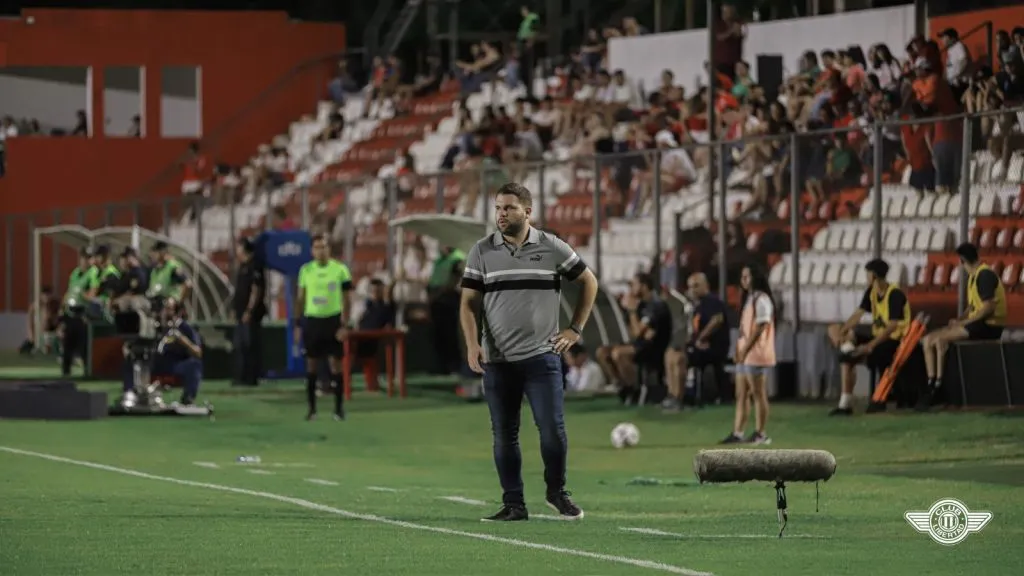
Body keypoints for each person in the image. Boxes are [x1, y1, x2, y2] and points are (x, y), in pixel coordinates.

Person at [459, 182, 598, 522]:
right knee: (504, 435)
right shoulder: (481, 251)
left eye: (508, 207)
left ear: (528, 211)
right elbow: (468, 303)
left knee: (552, 430)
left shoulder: (551, 246)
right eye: (498, 208)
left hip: (542, 357)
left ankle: (557, 492)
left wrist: (574, 328)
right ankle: (514, 504)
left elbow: (588, 281)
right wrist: (473, 343)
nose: (501, 214)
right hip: (499, 361)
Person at [827, 259, 909, 415]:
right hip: (877, 337)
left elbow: (892, 327)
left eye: (868, 274)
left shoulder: (894, 294)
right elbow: (858, 315)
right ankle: (845, 404)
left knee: (851, 357)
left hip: (894, 341)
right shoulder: (871, 292)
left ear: (874, 276)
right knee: (835, 331)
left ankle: (849, 353)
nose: (866, 278)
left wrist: (870, 345)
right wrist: (843, 332)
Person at [921, 243, 1006, 391]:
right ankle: (931, 381)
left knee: (940, 339)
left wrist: (965, 322)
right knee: (928, 339)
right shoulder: (974, 277)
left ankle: (940, 384)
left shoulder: (984, 275)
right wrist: (959, 320)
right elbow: (973, 306)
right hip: (978, 323)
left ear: (961, 260)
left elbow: (988, 307)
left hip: (989, 325)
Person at [294, 233, 354, 421]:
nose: (321, 251)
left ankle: (338, 409)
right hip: (313, 321)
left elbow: (347, 299)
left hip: (333, 321)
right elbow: (301, 298)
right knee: (311, 366)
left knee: (335, 366)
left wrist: (345, 324)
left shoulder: (340, 270)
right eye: (318, 247)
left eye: (324, 247)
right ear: (312, 251)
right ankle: (312, 410)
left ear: (329, 249)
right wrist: (297, 324)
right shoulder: (306, 271)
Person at [722, 265, 776, 444]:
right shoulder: (750, 299)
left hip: (756, 352)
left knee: (757, 393)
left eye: (747, 276)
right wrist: (739, 349)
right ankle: (738, 432)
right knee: (742, 393)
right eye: (742, 276)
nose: (743, 280)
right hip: (746, 352)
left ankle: (761, 432)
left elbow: (761, 326)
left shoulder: (761, 299)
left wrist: (745, 349)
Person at [121, 298, 203, 406]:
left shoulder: (184, 328)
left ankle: (188, 399)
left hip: (175, 363)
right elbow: (135, 343)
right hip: (154, 361)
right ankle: (130, 395)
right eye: (163, 308)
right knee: (133, 360)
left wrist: (183, 341)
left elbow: (198, 353)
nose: (164, 312)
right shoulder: (155, 326)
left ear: (177, 312)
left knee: (195, 365)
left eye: (169, 309)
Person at [618, 273, 673, 405]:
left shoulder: (656, 305)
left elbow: (637, 333)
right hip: (641, 345)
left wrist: (631, 312)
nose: (631, 289)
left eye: (634, 284)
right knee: (603, 353)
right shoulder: (641, 305)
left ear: (644, 286)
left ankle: (634, 390)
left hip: (655, 349)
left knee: (618, 354)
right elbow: (633, 333)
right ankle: (624, 385)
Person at [232, 238, 267, 387]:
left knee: (250, 344)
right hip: (241, 312)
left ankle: (251, 377)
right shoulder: (243, 266)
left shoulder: (255, 266)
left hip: (250, 314)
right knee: (241, 345)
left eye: (238, 248)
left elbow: (255, 290)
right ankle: (241, 376)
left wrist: (249, 310)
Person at [58, 247, 96, 376]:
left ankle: (87, 371)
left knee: (83, 344)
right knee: (68, 343)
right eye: (85, 258)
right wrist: (62, 307)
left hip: (82, 312)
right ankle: (66, 370)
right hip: (71, 312)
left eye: (89, 258)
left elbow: (93, 293)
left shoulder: (93, 273)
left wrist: (84, 295)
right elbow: (70, 290)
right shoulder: (75, 273)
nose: (86, 261)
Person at [356, 278, 397, 393]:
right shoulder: (364, 305)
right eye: (373, 290)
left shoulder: (386, 306)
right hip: (358, 337)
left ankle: (373, 384)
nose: (375, 293)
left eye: (378, 290)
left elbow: (389, 322)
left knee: (371, 358)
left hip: (376, 338)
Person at [21, 286, 59, 355]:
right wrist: (31, 336)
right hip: (40, 332)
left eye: (48, 295)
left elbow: (59, 318)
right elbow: (30, 322)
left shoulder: (55, 304)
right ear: (41, 295)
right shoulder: (35, 306)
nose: (46, 297)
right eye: (45, 295)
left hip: (53, 330)